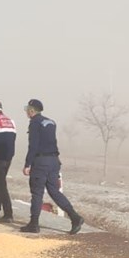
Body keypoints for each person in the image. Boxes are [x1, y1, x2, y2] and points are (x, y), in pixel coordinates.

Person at [21, 99, 83, 234]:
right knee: (54, 192)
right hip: (54, 161)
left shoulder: (34, 123)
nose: (26, 111)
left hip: (41, 162)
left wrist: (27, 164)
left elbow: (33, 145)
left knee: (37, 193)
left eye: (27, 109)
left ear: (31, 111)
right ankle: (75, 217)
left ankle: (34, 224)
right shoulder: (51, 122)